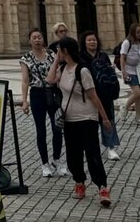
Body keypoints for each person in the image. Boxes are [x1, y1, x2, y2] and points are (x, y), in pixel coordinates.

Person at [47, 36, 112, 206]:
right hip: (69, 119)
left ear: (65, 51)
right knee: (73, 155)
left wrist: (105, 118)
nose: (57, 53)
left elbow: (94, 96)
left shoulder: (82, 71)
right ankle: (79, 182)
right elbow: (50, 80)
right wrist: (56, 61)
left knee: (92, 154)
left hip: (87, 118)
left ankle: (102, 187)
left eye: (59, 51)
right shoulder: (63, 68)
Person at [19, 28, 68, 177]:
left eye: (39, 37)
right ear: (30, 40)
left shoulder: (52, 54)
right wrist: (24, 101)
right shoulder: (26, 58)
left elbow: (60, 71)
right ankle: (45, 163)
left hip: (53, 93)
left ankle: (57, 159)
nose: (37, 40)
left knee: (57, 128)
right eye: (34, 37)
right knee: (41, 131)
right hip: (37, 94)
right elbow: (25, 80)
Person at [80, 30, 121, 160]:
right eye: (89, 40)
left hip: (105, 93)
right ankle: (90, 147)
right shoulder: (81, 57)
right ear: (84, 42)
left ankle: (111, 147)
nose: (92, 42)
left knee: (108, 119)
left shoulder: (103, 55)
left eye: (94, 40)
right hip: (88, 93)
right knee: (89, 122)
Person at [119, 22, 140, 122]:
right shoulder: (127, 43)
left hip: (138, 71)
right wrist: (123, 72)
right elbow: (122, 57)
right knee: (137, 93)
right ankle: (124, 107)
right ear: (133, 32)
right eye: (137, 32)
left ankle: (138, 117)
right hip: (129, 70)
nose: (139, 34)